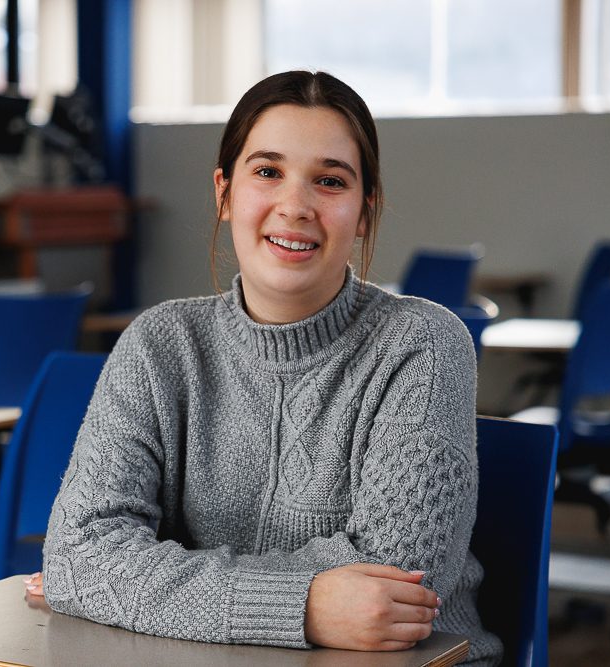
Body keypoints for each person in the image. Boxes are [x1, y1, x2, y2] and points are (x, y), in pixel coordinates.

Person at [26, 70, 501, 665]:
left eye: (330, 181)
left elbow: (395, 592)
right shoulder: (159, 344)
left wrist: (136, 584)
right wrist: (307, 606)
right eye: (267, 172)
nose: (295, 206)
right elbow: (79, 557)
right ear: (225, 193)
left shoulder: (424, 346)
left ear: (363, 210)